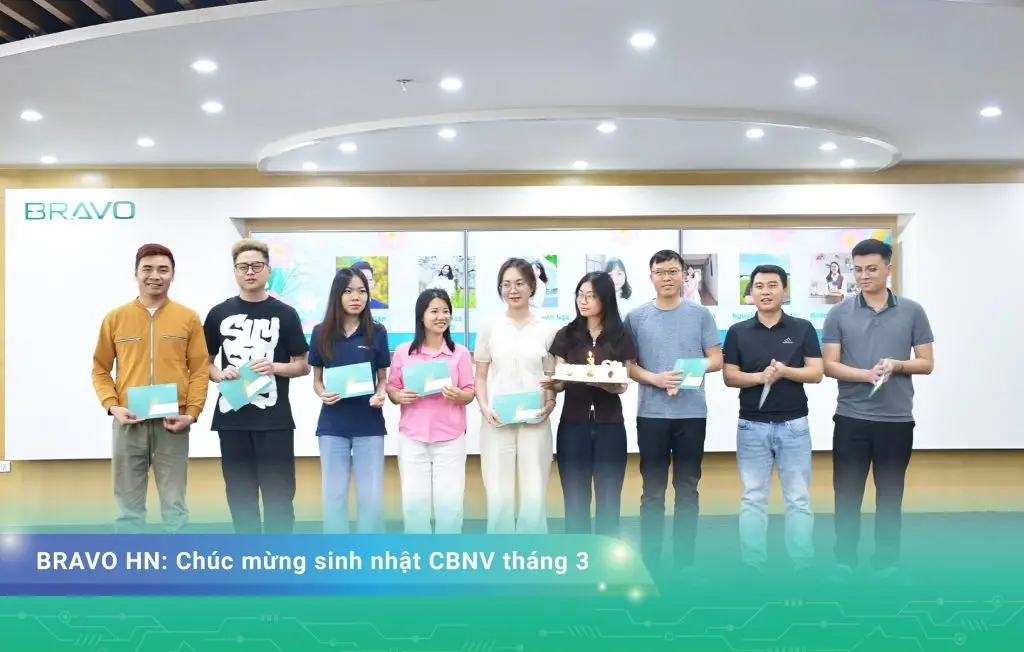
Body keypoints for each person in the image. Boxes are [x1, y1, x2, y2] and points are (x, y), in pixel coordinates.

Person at [822, 238, 934, 580]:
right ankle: (844, 559)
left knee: (890, 494)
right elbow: (829, 365)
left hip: (896, 420)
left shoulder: (912, 311)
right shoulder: (838, 313)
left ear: (888, 268)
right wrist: (865, 374)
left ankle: (886, 561)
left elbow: (926, 363)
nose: (864, 276)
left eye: (871, 269)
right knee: (846, 494)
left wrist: (897, 365)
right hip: (851, 418)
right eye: (857, 270)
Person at [92, 243, 209, 534]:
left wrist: (192, 413)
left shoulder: (188, 318)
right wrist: (112, 406)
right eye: (147, 269)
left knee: (174, 505)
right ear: (136, 274)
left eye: (163, 270)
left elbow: (199, 369)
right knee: (127, 508)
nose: (155, 275)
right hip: (129, 421)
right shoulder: (115, 318)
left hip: (173, 423)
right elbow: (100, 369)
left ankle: (176, 559)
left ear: (173, 275)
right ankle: (131, 560)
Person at [624, 249, 723, 574]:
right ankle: (650, 560)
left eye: (672, 271)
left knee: (687, 489)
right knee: (652, 491)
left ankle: (684, 561)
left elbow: (716, 359)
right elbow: (629, 366)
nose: (666, 278)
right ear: (650, 277)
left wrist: (687, 373)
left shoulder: (700, 315)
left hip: (691, 415)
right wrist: (655, 378)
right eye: (660, 272)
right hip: (651, 415)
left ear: (684, 275)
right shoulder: (636, 317)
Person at [203, 239, 310, 534]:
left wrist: (275, 367)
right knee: (240, 497)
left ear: (268, 270)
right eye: (242, 267)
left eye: (256, 265)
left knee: (279, 496)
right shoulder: (218, 314)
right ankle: (247, 555)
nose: (249, 272)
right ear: (235, 271)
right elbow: (204, 364)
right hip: (232, 418)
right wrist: (219, 374)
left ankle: (280, 556)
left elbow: (303, 365)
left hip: (274, 420)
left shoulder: (286, 314)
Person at [722, 264, 823, 574]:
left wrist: (786, 371)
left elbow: (816, 373)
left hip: (794, 426)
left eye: (772, 285)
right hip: (751, 426)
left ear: (784, 290)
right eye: (759, 286)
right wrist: (759, 377)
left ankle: (802, 563)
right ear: (750, 293)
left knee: (799, 498)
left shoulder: (803, 328)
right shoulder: (738, 331)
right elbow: (729, 376)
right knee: (753, 498)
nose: (765, 291)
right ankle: (753, 563)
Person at [542, 271, 636, 536]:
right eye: (580, 295)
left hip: (610, 425)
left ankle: (606, 554)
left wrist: (608, 384)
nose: (583, 301)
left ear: (605, 299)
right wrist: (552, 384)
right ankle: (578, 555)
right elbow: (560, 381)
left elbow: (623, 383)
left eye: (591, 296)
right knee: (575, 501)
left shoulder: (621, 336)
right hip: (573, 425)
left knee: (609, 500)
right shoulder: (567, 334)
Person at [475, 257, 558, 533]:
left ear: (532, 286)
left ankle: (532, 552)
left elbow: (551, 376)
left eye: (520, 283)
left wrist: (550, 404)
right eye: (506, 284)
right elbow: (481, 375)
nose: (513, 290)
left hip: (535, 420)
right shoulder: (490, 326)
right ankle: (501, 552)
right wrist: (484, 407)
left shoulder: (547, 329)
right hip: (497, 419)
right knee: (499, 494)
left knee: (534, 493)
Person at [309, 266, 391, 533]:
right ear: (337, 295)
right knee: (334, 497)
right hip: (333, 425)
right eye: (348, 291)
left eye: (362, 291)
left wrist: (381, 393)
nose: (356, 297)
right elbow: (317, 380)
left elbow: (382, 378)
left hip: (369, 423)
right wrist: (322, 392)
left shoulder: (377, 332)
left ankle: (369, 552)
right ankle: (337, 552)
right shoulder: (320, 332)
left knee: (371, 499)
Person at [387, 289, 476, 533]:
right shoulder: (404, 351)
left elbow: (470, 392)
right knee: (414, 506)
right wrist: (398, 396)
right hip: (413, 437)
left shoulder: (460, 353)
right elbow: (392, 388)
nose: (441, 317)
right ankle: (420, 552)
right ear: (421, 316)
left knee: (450, 506)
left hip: (450, 438)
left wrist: (459, 395)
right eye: (434, 311)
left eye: (446, 311)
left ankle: (448, 553)